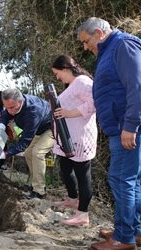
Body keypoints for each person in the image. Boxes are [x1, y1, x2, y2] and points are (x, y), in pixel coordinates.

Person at [77, 17, 141, 250]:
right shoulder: (110, 50)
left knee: (122, 180)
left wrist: (130, 126)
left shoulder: (123, 45)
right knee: (129, 181)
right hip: (119, 126)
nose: (85, 47)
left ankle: (124, 238)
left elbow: (137, 86)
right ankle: (135, 230)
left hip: (126, 127)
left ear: (98, 33)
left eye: (86, 41)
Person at [50, 55, 97, 226]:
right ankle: (72, 198)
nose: (57, 77)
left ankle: (83, 215)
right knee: (65, 169)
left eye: (57, 73)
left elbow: (93, 103)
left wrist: (68, 113)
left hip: (81, 137)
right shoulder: (73, 84)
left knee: (83, 175)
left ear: (66, 68)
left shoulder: (83, 81)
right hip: (68, 138)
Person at [0, 88, 53, 199]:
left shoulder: (33, 110)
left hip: (52, 128)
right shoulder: (11, 106)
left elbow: (25, 141)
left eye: (12, 107)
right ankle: (35, 183)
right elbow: (5, 114)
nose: (9, 110)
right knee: (28, 153)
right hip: (38, 130)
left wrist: (6, 154)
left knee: (37, 152)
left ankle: (39, 191)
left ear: (20, 100)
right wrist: (1, 126)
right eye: (6, 107)